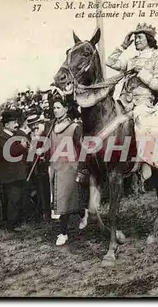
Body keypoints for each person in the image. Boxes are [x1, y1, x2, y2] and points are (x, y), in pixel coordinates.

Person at [105, 22, 158, 180]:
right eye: (135, 38)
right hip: (124, 101)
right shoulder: (132, 60)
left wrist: (142, 72)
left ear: (149, 39)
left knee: (140, 118)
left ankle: (145, 161)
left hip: (143, 103)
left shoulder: (156, 60)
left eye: (139, 37)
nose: (136, 41)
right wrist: (123, 45)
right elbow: (109, 62)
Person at [48, 98, 88, 246]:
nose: (55, 110)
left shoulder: (74, 127)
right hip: (56, 168)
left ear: (65, 109)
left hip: (70, 168)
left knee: (66, 201)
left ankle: (63, 233)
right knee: (64, 200)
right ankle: (83, 213)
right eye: (54, 108)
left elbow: (83, 149)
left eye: (58, 107)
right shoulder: (51, 127)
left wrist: (82, 169)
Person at [0, 110, 29, 232]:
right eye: (13, 122)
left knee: (18, 198)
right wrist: (22, 147)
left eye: (16, 122)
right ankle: (11, 224)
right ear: (6, 125)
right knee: (12, 200)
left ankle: (16, 221)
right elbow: (10, 151)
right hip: (9, 175)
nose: (16, 124)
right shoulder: (1, 138)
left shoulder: (15, 136)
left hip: (17, 173)